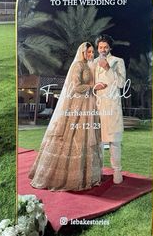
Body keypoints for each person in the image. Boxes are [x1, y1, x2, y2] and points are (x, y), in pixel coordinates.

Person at [28, 42, 107, 191]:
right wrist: (93, 87)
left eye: (91, 52)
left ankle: (86, 175)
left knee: (85, 137)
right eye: (88, 52)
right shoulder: (77, 65)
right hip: (77, 106)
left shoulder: (88, 65)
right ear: (82, 52)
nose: (91, 55)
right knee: (71, 137)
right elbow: (76, 87)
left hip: (87, 105)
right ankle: (66, 178)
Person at [94, 34, 126, 184]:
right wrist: (95, 87)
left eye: (105, 47)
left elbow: (121, 84)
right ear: (97, 48)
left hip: (112, 106)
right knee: (97, 139)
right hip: (97, 106)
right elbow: (90, 83)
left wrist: (108, 68)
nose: (103, 49)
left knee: (114, 140)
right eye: (100, 47)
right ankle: (98, 171)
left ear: (110, 48)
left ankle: (117, 171)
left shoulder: (118, 61)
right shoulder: (93, 63)